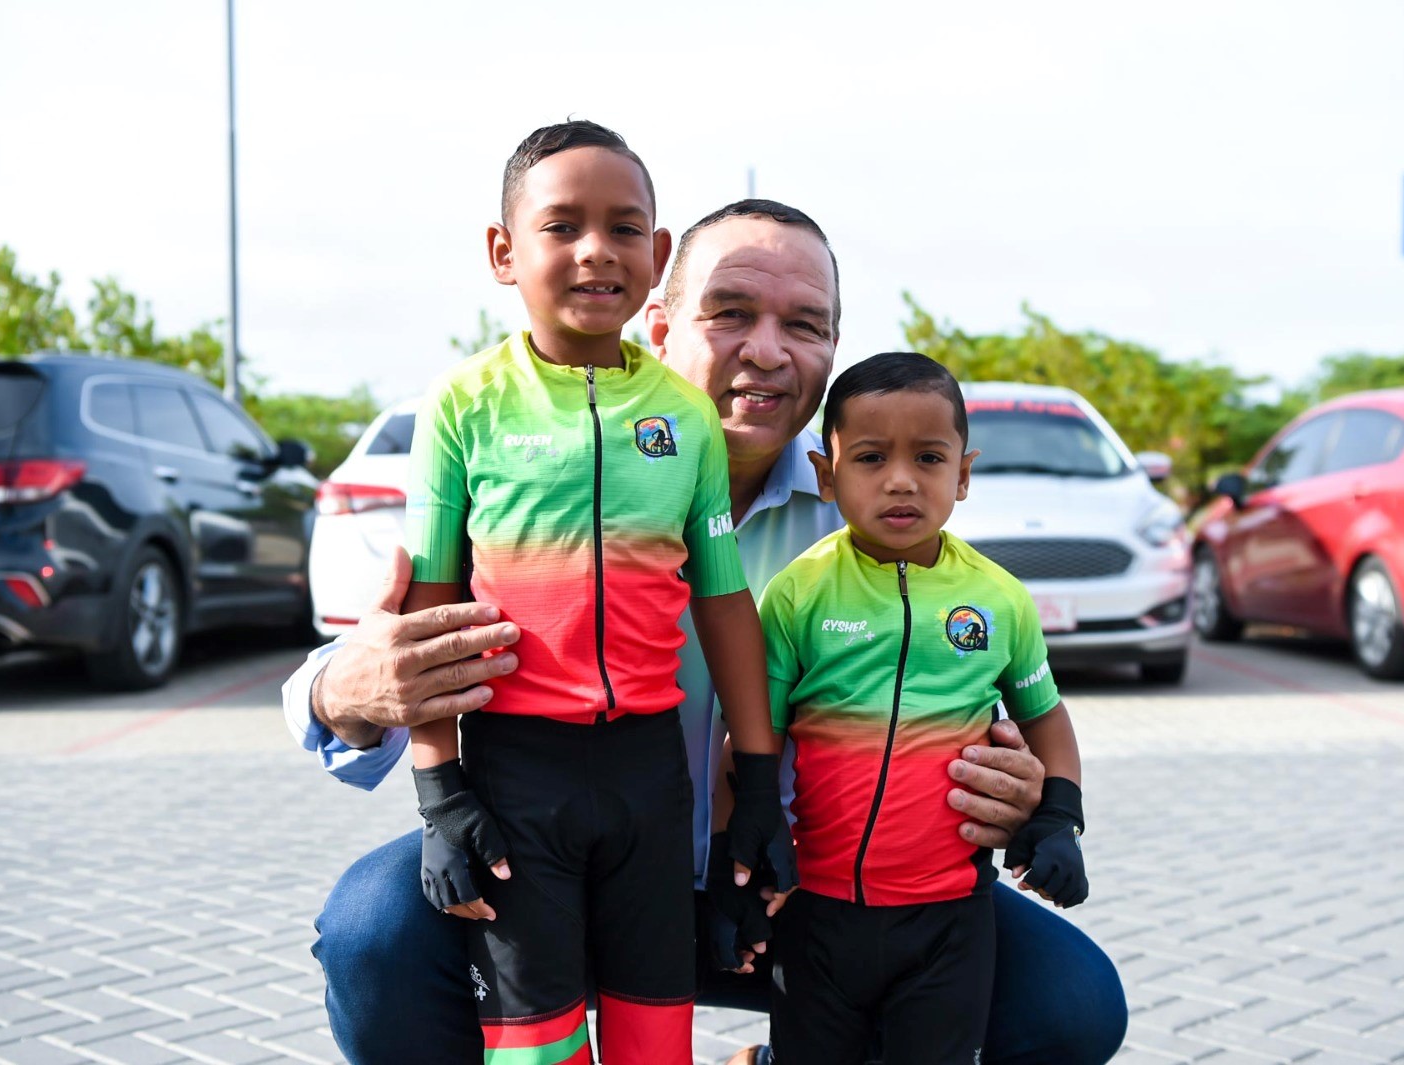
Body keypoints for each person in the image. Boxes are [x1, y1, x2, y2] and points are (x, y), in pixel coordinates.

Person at [284, 199, 1129, 1064]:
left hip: (805, 895)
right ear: (656, 319)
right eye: (730, 312)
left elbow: (989, 696)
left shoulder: (878, 521)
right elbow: (355, 671)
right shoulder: (520, 459)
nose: (768, 349)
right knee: (374, 929)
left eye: (805, 323)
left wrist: (1022, 796)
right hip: (555, 867)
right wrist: (342, 691)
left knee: (1068, 1004)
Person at [395, 120, 783, 1065]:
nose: (595, 250)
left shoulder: (685, 414)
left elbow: (724, 603)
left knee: (657, 1037)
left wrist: (762, 779)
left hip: (652, 775)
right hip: (516, 775)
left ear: (656, 256)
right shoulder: (465, 405)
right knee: (534, 1044)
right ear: (503, 251)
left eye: (623, 228)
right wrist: (438, 788)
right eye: (562, 226)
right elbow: (428, 610)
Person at [750, 352, 1090, 1063]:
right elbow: (754, 733)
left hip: (951, 919)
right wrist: (742, 847)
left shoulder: (999, 598)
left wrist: (1059, 816)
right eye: (870, 457)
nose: (901, 479)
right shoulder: (798, 593)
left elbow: (1046, 716)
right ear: (825, 473)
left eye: (929, 457)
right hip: (816, 908)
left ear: (963, 473)